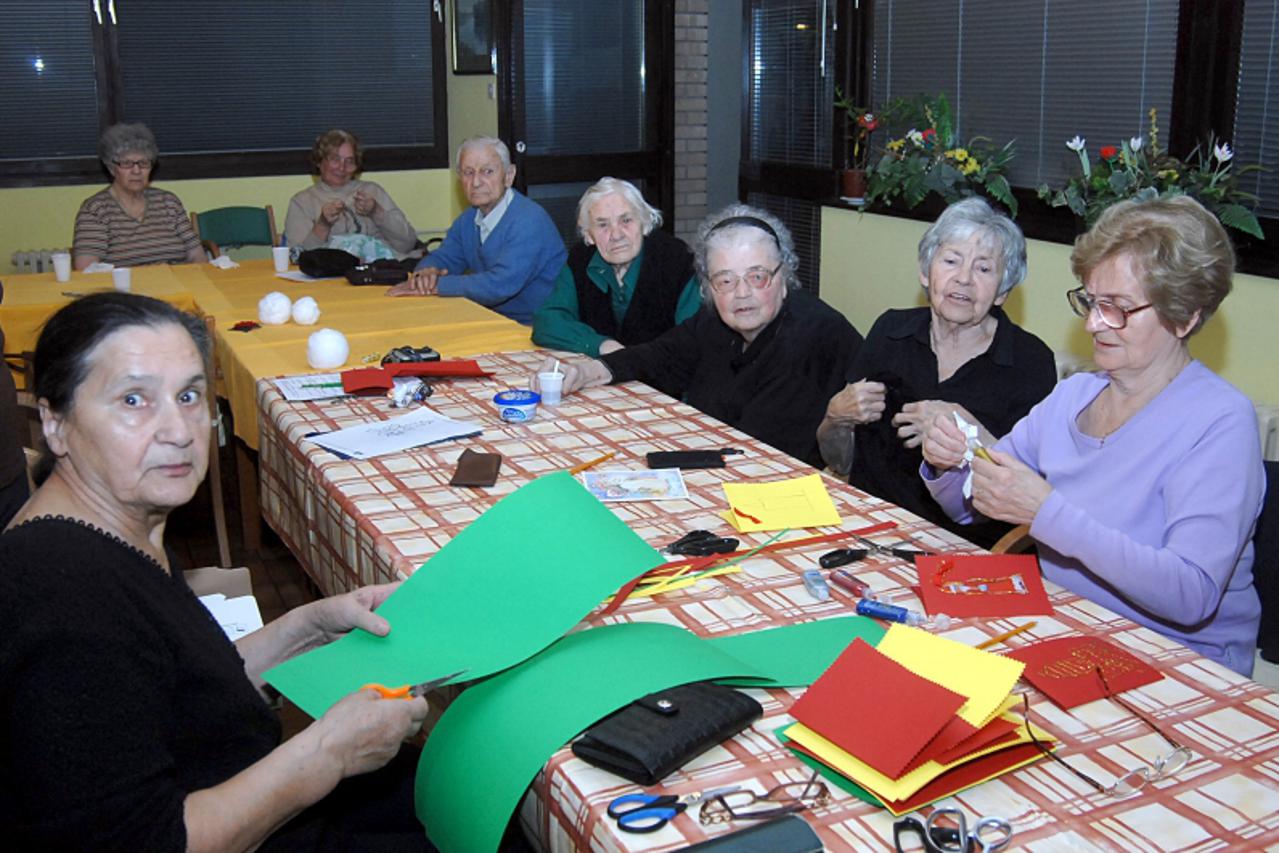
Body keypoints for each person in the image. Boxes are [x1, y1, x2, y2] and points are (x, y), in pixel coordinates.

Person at [0, 293, 435, 850]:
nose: (179, 431)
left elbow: (179, 691)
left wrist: (305, 628)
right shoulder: (60, 597)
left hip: (235, 790)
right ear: (54, 423)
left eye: (188, 396)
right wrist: (327, 752)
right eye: (134, 400)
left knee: (465, 788)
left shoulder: (115, 528)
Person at [920, 196, 1265, 676]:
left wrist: (1045, 513)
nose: (1093, 323)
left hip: (1177, 661)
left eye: (1118, 308)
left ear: (1185, 316)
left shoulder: (1220, 421)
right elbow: (968, 505)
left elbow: (1191, 594)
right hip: (1070, 633)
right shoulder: (1075, 395)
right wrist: (949, 461)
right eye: (1090, 301)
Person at [536, 205, 863, 468]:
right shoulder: (714, 322)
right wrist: (587, 371)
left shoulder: (814, 336)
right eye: (725, 280)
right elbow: (658, 356)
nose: (742, 293)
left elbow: (760, 450)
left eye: (757, 277)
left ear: (784, 276)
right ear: (708, 287)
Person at [817, 198, 1056, 547]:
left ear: (1003, 292)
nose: (964, 279)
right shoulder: (890, 331)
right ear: (926, 272)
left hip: (962, 547)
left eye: (983, 269)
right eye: (951, 261)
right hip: (868, 528)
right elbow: (842, 461)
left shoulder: (1030, 361)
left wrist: (969, 434)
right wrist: (834, 419)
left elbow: (1029, 495)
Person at [387, 137, 566, 324]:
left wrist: (438, 285)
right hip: (491, 319)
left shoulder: (529, 221)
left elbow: (499, 285)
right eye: (468, 172)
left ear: (509, 175)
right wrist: (426, 273)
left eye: (487, 172)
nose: (476, 182)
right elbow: (445, 258)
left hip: (537, 325)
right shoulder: (469, 218)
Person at [531, 177, 700, 356]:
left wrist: (633, 361)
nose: (616, 235)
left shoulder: (678, 262)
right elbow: (547, 322)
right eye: (602, 225)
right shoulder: (580, 260)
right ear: (588, 235)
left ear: (644, 222)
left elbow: (691, 340)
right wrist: (601, 345)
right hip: (604, 369)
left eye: (626, 220)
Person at [72, 123, 205, 270]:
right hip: (124, 284)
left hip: (177, 280)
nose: (136, 171)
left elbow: (197, 255)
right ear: (111, 168)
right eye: (127, 163)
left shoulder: (169, 202)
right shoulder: (96, 209)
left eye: (143, 163)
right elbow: (87, 269)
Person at [283, 129, 421, 260]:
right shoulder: (303, 202)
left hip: (381, 270)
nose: (342, 168)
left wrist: (376, 212)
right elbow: (298, 258)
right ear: (319, 162)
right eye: (335, 159)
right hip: (332, 273)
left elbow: (407, 243)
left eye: (349, 161)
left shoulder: (372, 191)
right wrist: (322, 225)